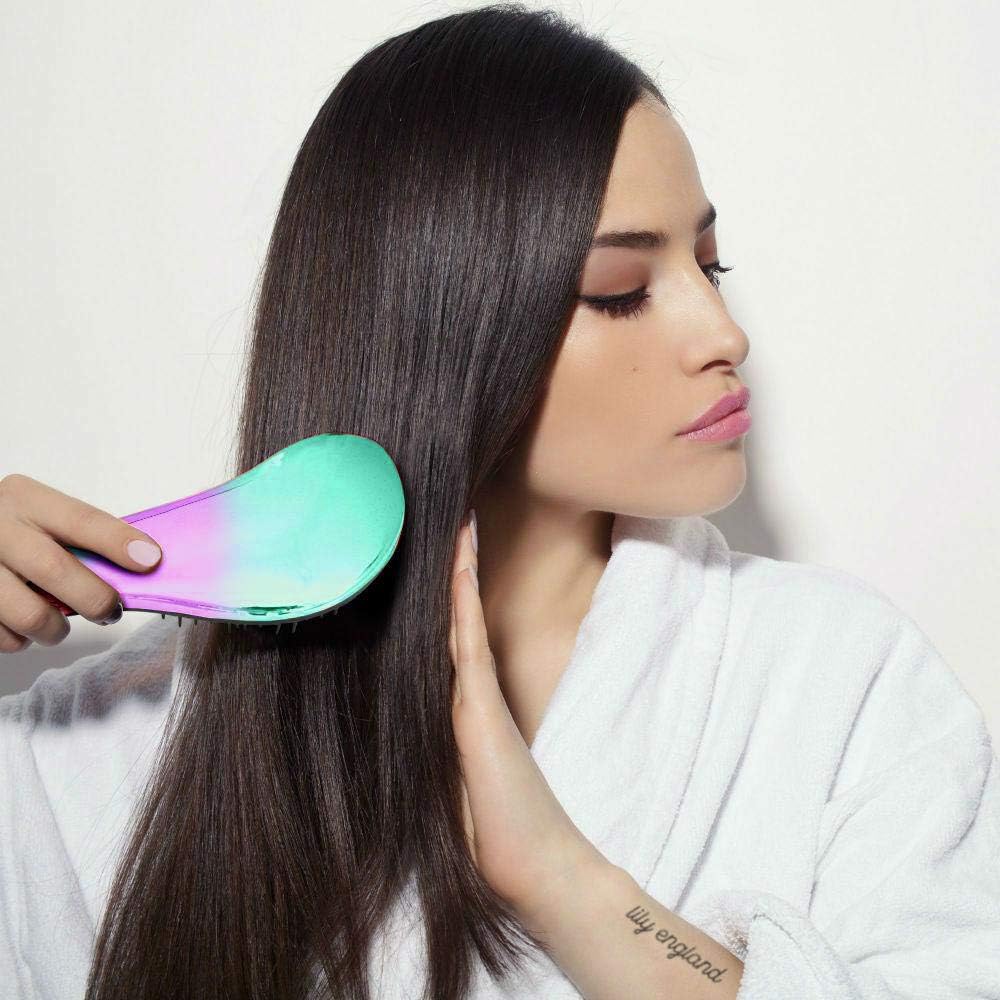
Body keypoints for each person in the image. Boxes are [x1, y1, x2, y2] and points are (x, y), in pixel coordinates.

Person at [2, 4, 999, 999]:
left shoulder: (841, 685)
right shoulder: (91, 757)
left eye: (709, 264)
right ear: (436, 333)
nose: (722, 333)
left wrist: (568, 882)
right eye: (619, 289)